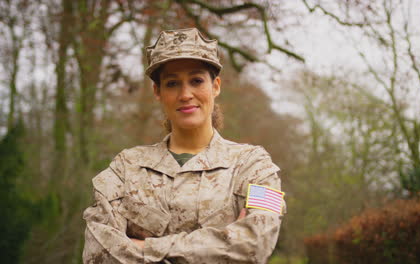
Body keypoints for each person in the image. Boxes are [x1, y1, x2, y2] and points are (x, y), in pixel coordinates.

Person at [82, 28, 285, 264]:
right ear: (158, 92)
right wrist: (222, 246)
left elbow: (256, 244)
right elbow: (99, 254)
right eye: (172, 83)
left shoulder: (254, 166)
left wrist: (143, 248)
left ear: (216, 86)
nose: (185, 94)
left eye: (196, 81)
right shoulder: (125, 168)